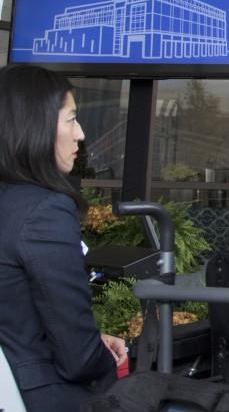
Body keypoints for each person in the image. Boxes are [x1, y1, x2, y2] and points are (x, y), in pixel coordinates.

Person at [0, 64, 127, 411]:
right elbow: (79, 359)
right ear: (34, 126)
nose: (81, 134)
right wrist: (103, 357)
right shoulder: (44, 211)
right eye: (71, 119)